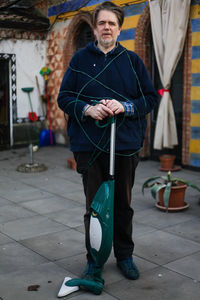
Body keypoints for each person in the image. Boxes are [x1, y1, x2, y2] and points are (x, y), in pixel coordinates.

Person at [58, 0, 157, 289]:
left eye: (112, 23)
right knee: (95, 206)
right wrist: (87, 109)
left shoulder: (132, 61)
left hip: (123, 145)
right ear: (95, 27)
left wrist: (124, 106)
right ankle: (94, 259)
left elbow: (149, 99)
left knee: (123, 204)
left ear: (119, 27)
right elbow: (64, 97)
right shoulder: (79, 60)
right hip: (89, 146)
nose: (107, 28)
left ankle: (124, 255)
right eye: (102, 23)